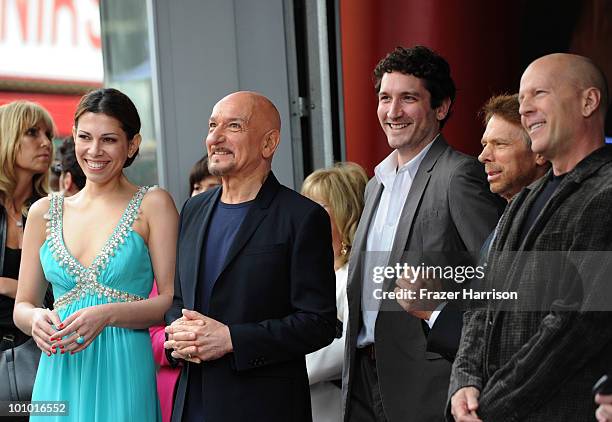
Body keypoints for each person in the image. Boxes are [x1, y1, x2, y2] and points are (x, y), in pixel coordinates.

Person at [341, 46, 504, 422]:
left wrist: (439, 311)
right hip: (364, 380)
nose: (393, 112)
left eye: (408, 98)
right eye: (385, 98)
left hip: (428, 385)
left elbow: (500, 278)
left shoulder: (458, 175)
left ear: (442, 107)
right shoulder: (374, 185)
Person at [449, 53, 612, 421]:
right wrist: (463, 383)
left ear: (588, 101)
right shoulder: (522, 201)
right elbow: (481, 304)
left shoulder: (605, 194)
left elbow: (573, 327)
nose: (525, 110)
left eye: (539, 93)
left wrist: (489, 407)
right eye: (522, 101)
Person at [164, 91, 336, 422]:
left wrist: (232, 340)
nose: (215, 137)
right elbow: (180, 298)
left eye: (234, 126)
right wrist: (179, 336)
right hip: (192, 403)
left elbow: (319, 322)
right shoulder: (193, 209)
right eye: (213, 125)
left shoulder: (302, 217)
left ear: (269, 143)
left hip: (262, 406)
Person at [14, 88, 178, 421]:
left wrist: (107, 314)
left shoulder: (155, 204)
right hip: (59, 370)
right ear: (73, 136)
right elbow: (22, 305)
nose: (94, 151)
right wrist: (35, 320)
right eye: (85, 137)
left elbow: (170, 301)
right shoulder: (43, 212)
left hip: (125, 368)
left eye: (109, 140)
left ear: (132, 144)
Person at [301, 162, 368, 422]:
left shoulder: (354, 275)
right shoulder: (308, 272)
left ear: (345, 211)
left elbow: (350, 344)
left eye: (318, 206)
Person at [0, 101, 54, 414]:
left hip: (42, 356)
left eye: (48, 133)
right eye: (32, 132)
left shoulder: (54, 211)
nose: (46, 142)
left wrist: (8, 286)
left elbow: (64, 291)